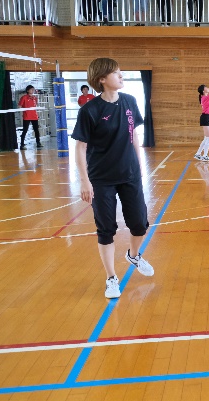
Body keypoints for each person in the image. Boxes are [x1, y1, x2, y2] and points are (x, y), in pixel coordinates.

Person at [72, 58, 154, 299]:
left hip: (130, 174)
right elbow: (80, 147)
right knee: (106, 229)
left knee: (139, 223)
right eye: (116, 73)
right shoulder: (90, 110)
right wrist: (84, 181)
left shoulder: (129, 101)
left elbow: (134, 135)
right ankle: (111, 278)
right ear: (102, 79)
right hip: (101, 178)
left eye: (121, 72)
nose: (121, 76)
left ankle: (134, 255)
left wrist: (139, 165)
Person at [18, 85, 42, 149]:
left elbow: (35, 106)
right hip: (27, 116)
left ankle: (38, 143)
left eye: (33, 89)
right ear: (28, 90)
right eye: (31, 89)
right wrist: (24, 111)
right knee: (25, 130)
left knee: (36, 130)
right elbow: (19, 106)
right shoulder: (24, 97)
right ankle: (22, 144)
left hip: (34, 116)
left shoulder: (35, 98)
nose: (33, 90)